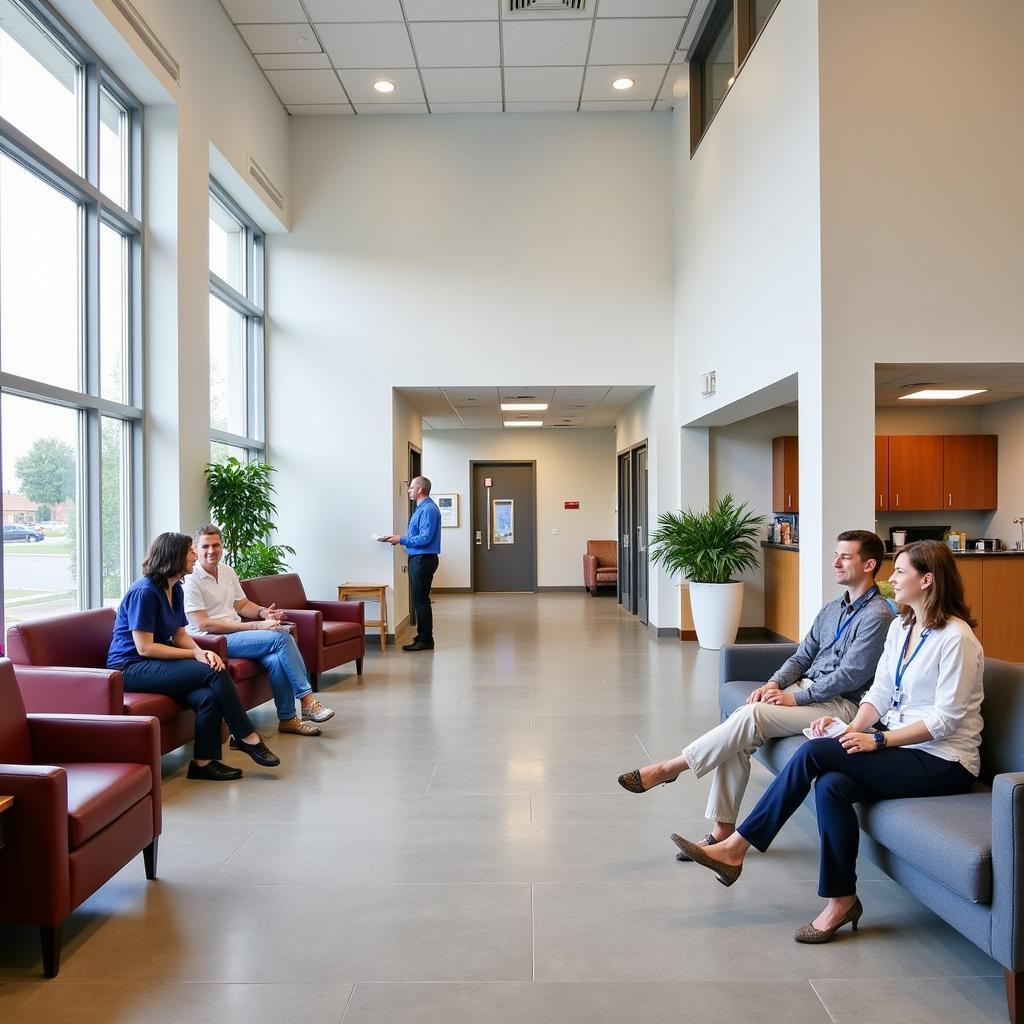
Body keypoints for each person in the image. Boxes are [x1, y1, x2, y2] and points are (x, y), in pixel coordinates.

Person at [672, 540, 983, 943]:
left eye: (901, 572)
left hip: (944, 760)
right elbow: (879, 694)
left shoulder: (956, 639)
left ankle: (737, 848)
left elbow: (946, 720)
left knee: (814, 753)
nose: (892, 578)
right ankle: (842, 900)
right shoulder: (903, 627)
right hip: (902, 747)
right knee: (832, 787)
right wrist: (856, 730)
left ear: (927, 580)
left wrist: (879, 740)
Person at [617, 530, 894, 863]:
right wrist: (773, 684)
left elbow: (851, 676)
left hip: (842, 706)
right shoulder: (832, 608)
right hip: (806, 690)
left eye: (845, 557)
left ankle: (670, 767)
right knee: (741, 728)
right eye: (836, 554)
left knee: (750, 717)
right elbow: (802, 656)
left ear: (869, 565)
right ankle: (721, 833)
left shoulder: (878, 616)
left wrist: (796, 700)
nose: (835, 562)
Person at [106, 532, 281, 781]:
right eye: (190, 551)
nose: (194, 555)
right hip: (131, 667)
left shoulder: (175, 588)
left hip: (155, 662)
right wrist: (194, 655)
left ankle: (203, 762)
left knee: (207, 696)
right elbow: (145, 647)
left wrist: (200, 651)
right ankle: (246, 737)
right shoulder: (144, 592)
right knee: (213, 671)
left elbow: (178, 633)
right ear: (174, 556)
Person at [182, 525, 334, 737]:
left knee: (275, 659)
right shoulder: (190, 579)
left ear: (222, 546)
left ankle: (288, 718)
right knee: (282, 636)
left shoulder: (227, 571)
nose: (211, 550)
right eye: (205, 546)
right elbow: (203, 624)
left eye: (216, 545)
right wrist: (254, 625)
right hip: (212, 640)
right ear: (195, 550)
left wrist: (264, 614)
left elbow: (242, 604)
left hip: (235, 634)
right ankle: (307, 700)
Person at [380, 476, 441, 652]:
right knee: (419, 600)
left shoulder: (428, 509)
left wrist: (401, 539)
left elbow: (425, 538)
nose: (409, 490)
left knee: (421, 601)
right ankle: (422, 636)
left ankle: (426, 639)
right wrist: (399, 538)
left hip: (423, 559)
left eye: (411, 487)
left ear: (420, 489)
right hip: (419, 558)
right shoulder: (421, 508)